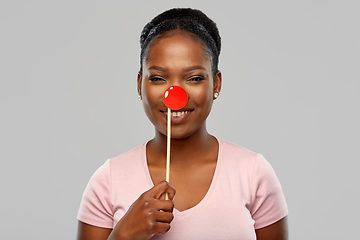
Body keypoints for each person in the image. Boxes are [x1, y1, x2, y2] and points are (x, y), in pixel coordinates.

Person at [77, 8, 288, 240]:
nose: (174, 94)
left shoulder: (253, 173)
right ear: (139, 85)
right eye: (158, 78)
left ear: (216, 84)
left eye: (195, 78)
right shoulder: (108, 179)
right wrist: (122, 236)